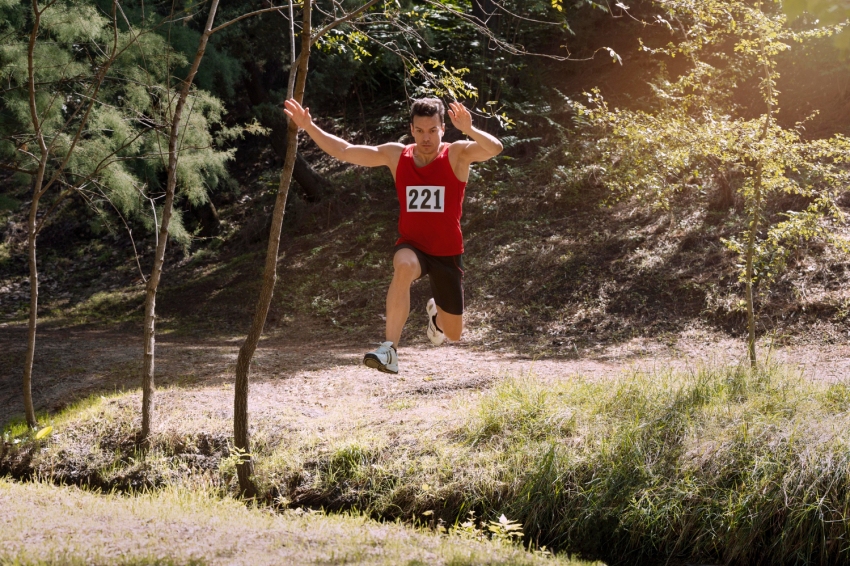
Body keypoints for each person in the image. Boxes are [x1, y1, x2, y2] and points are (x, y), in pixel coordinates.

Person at [283, 96, 503, 374]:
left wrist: (470, 129)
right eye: (420, 131)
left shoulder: (457, 153)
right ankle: (390, 350)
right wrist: (309, 126)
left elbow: (495, 148)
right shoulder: (398, 156)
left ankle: (436, 317)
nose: (426, 138)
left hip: (447, 251)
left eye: (433, 131)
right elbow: (346, 150)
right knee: (403, 266)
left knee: (454, 334)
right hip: (412, 245)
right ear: (412, 129)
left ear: (443, 129)